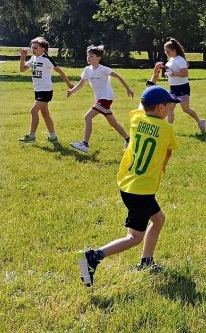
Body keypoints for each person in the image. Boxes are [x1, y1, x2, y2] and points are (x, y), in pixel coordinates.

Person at [77, 86, 180, 286]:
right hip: (141, 190)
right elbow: (169, 151)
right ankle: (94, 256)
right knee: (134, 237)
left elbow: (142, 105)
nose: (170, 109)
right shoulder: (167, 130)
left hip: (128, 183)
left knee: (158, 220)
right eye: (169, 106)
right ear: (160, 108)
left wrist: (153, 80)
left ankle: (147, 261)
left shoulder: (136, 120)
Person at [66, 45, 134, 153]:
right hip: (99, 99)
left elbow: (118, 77)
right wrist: (71, 91)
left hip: (106, 98)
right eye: (88, 55)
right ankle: (129, 140)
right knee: (113, 122)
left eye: (91, 55)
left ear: (98, 58)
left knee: (87, 117)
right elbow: (80, 84)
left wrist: (128, 89)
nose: (88, 57)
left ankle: (85, 144)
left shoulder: (104, 69)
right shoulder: (87, 70)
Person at [18, 37, 74, 144]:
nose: (32, 49)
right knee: (45, 113)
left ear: (43, 49)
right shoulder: (33, 59)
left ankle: (32, 136)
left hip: (46, 91)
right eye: (32, 47)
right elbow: (22, 69)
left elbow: (60, 71)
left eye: (35, 47)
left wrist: (69, 83)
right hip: (38, 90)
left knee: (33, 110)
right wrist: (22, 57)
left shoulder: (47, 60)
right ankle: (53, 137)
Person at [148, 38, 206, 134]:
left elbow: (185, 73)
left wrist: (173, 74)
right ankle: (168, 129)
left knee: (185, 109)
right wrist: (168, 74)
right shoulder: (171, 59)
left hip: (182, 87)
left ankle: (200, 121)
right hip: (173, 88)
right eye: (165, 51)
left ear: (174, 50)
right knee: (170, 109)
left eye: (167, 51)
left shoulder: (180, 60)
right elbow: (172, 72)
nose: (166, 52)